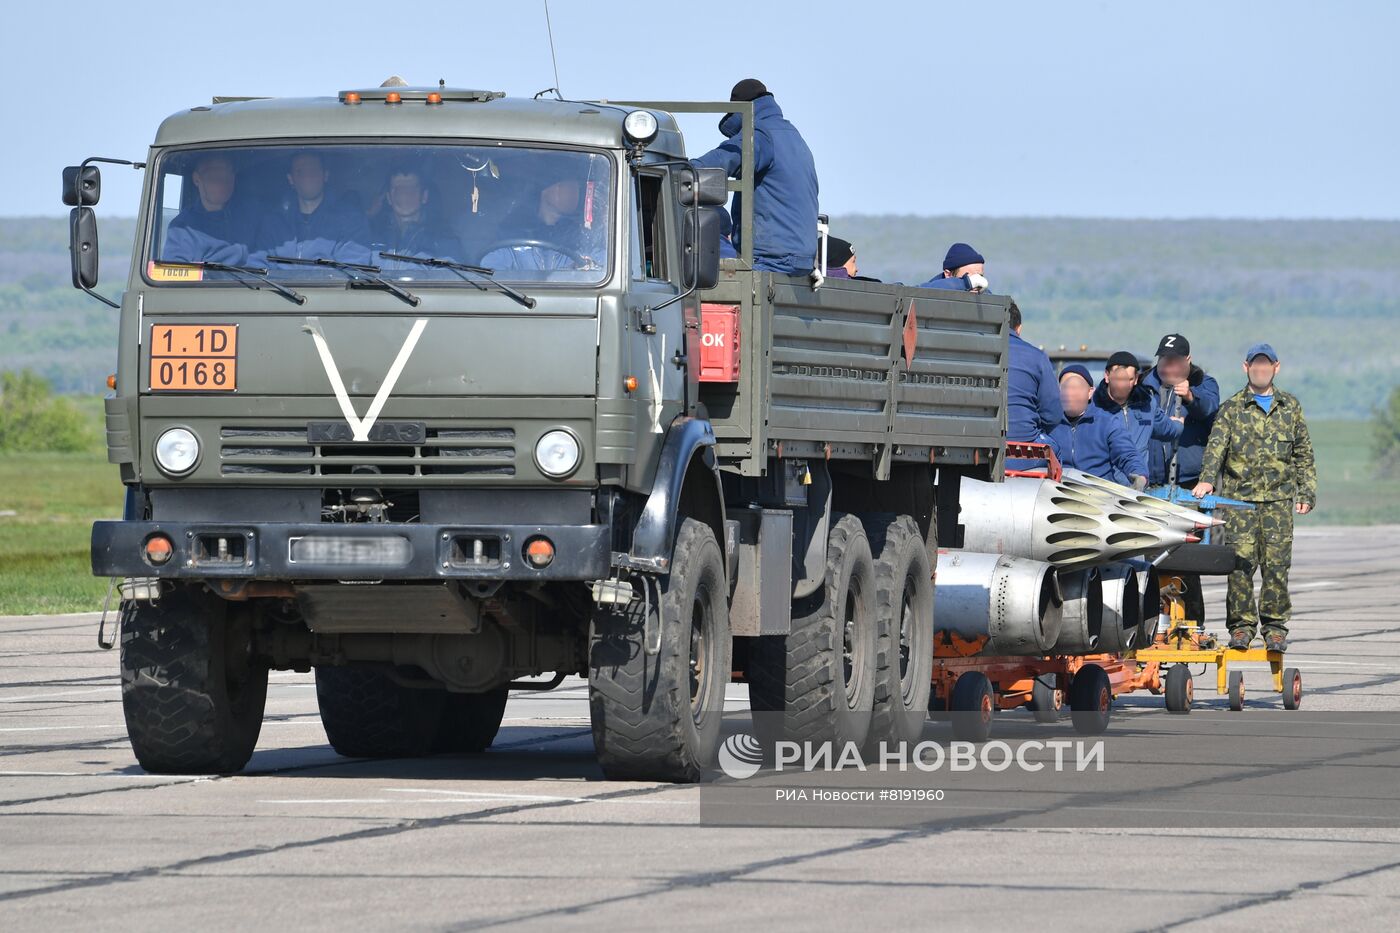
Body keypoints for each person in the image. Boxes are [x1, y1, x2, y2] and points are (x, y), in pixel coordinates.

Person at [1192, 343, 1317, 653]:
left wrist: (1307, 492)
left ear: (1276, 367)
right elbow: (1216, 448)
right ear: (1245, 368)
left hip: (1278, 502)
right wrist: (1207, 480)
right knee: (1240, 565)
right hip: (1241, 502)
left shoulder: (1290, 406)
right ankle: (1241, 627)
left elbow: (1303, 453)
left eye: (1267, 365)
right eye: (1255, 365)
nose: (1261, 370)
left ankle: (1274, 629)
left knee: (1276, 565)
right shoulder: (1232, 408)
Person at [690, 78, 819, 275]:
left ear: (738, 109)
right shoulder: (793, 136)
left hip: (771, 257)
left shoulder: (760, 133)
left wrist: (682, 170)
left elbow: (723, 160)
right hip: (801, 258)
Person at [257, 152, 372, 262]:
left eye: (313, 171)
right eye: (301, 172)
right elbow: (258, 266)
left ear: (325, 175)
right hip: (273, 284)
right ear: (291, 179)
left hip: (329, 283)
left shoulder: (351, 220)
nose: (308, 178)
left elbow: (353, 270)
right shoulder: (274, 222)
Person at [479, 175, 605, 273]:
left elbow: (604, 262)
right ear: (545, 190)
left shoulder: (581, 235)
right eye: (565, 185)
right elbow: (491, 270)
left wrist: (589, 266)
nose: (574, 192)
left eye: (576, 187)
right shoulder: (514, 235)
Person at [1141, 333, 1220, 488]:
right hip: (1149, 479)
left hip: (1189, 481)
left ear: (1187, 360)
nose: (1168, 367)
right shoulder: (1143, 386)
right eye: (1164, 361)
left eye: (1174, 362)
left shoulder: (1204, 383)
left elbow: (1209, 408)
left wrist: (1190, 397)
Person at [1049, 364, 1147, 487]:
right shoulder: (1048, 423)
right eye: (1065, 387)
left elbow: (1126, 453)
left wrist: (1139, 474)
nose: (1070, 393)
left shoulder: (1107, 422)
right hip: (1057, 492)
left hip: (1098, 493)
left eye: (1076, 387)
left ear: (1090, 392)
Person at [1089, 350, 1184, 460]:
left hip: (1138, 476)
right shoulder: (1091, 407)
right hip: (1102, 476)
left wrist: (1178, 426)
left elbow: (1166, 428)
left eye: (1129, 379)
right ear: (1107, 376)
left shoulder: (1147, 405)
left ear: (1136, 379)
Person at [162, 154, 256, 263]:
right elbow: (174, 274)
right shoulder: (182, 228)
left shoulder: (254, 218)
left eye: (228, 175)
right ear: (197, 179)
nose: (222, 183)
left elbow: (270, 263)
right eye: (214, 176)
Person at [1004, 300, 1064, 470]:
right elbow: (1053, 414)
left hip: (980, 447)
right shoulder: (1037, 357)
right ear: (1019, 328)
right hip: (1023, 450)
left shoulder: (979, 352)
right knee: (1056, 451)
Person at [368, 166, 461, 259]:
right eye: (398, 190)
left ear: (424, 196)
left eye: (411, 189)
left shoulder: (443, 240)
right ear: (388, 198)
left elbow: (451, 272)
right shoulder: (371, 235)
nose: (404, 195)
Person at [919, 242, 990, 292]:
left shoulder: (984, 294)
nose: (978, 282)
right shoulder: (929, 292)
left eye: (980, 276)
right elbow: (914, 293)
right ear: (948, 274)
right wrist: (966, 283)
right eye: (969, 277)